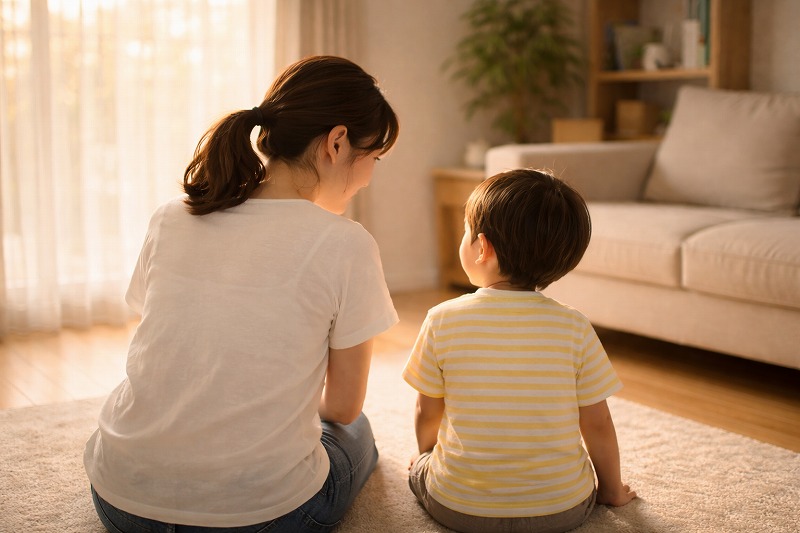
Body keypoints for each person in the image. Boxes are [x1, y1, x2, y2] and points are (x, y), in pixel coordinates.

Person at [84, 55, 400, 532]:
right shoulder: (346, 244)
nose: (370, 175)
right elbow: (341, 407)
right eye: (374, 157)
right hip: (261, 518)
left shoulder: (172, 215)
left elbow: (168, 339)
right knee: (356, 431)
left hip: (121, 502)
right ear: (337, 142)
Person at [403, 169, 636, 533]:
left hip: (458, 508)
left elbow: (427, 409)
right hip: (563, 510)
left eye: (466, 232)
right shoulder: (575, 327)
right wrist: (611, 490)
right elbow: (597, 422)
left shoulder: (441, 319)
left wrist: (427, 457)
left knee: (419, 467)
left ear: (483, 248)